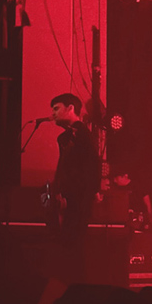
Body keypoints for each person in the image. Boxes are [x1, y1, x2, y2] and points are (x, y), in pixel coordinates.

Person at [44, 93, 101, 282]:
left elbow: (92, 164)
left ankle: (76, 284)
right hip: (68, 197)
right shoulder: (66, 137)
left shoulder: (82, 134)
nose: (53, 113)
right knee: (68, 242)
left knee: (74, 242)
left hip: (78, 198)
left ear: (70, 108)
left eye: (56, 108)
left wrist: (91, 191)